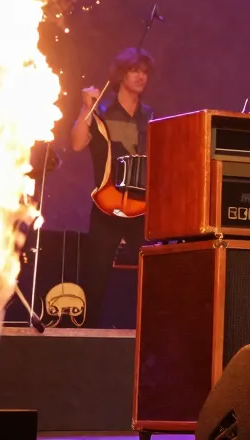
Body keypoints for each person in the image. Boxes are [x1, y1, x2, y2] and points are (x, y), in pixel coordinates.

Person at [70, 47, 155, 329]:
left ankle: (152, 333)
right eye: (134, 70)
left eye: (144, 72)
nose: (141, 77)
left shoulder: (150, 116)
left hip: (143, 208)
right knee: (95, 278)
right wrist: (86, 108)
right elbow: (77, 144)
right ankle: (86, 338)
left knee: (156, 275)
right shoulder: (101, 111)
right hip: (107, 205)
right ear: (120, 75)